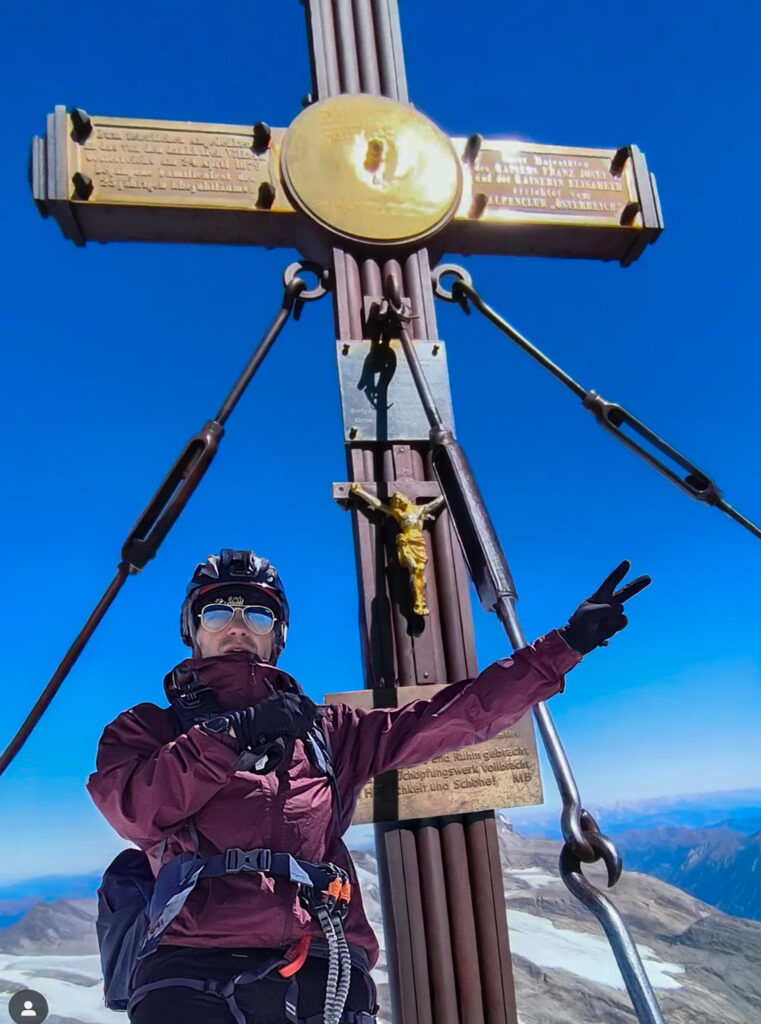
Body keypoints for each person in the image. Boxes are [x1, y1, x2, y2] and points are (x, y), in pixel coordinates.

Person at [87, 548, 650, 1024]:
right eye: (217, 613)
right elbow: (137, 811)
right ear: (193, 632)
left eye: (258, 614)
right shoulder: (146, 730)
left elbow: (455, 716)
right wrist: (229, 735)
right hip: (191, 963)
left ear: (277, 635)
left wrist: (564, 646)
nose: (237, 626)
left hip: (317, 956)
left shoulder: (329, 731)